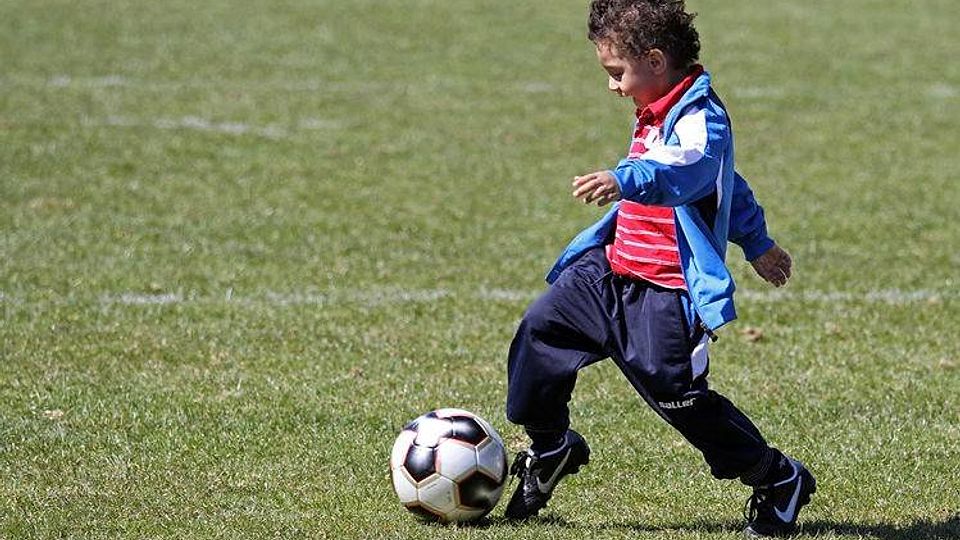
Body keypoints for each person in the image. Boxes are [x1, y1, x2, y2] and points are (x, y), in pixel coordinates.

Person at [502, 0, 815, 536]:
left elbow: (693, 169)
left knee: (680, 400)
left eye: (615, 73)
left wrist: (627, 179)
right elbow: (728, 183)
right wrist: (757, 241)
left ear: (653, 60)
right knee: (538, 335)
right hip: (609, 273)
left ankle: (777, 476)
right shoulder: (656, 107)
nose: (612, 86)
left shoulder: (700, 117)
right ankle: (551, 446)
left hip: (664, 293)